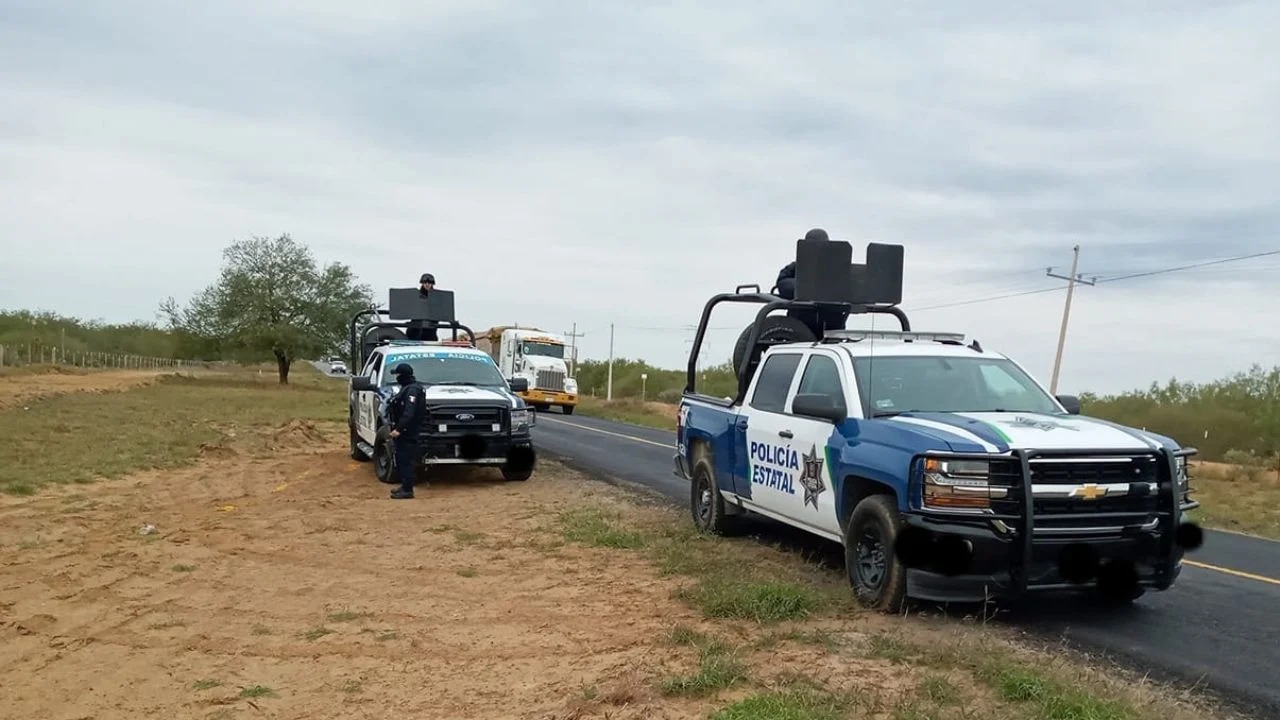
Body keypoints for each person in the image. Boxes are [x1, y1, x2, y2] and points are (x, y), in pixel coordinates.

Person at [774, 228, 849, 335]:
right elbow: (782, 283)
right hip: (800, 326)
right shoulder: (798, 266)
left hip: (829, 328)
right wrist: (804, 286)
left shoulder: (835, 268)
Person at [386, 363, 427, 499]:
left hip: (408, 432)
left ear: (402, 375)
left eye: (398, 374)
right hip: (406, 431)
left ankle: (407, 490)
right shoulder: (407, 388)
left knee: (405, 460)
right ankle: (404, 486)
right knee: (401, 459)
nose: (396, 377)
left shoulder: (412, 390)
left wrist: (398, 429)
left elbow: (409, 413)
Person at [405, 273, 439, 341]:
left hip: (430, 330)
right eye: (425, 282)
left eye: (429, 282)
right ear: (422, 283)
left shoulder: (437, 298)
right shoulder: (415, 296)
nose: (427, 284)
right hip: (415, 329)